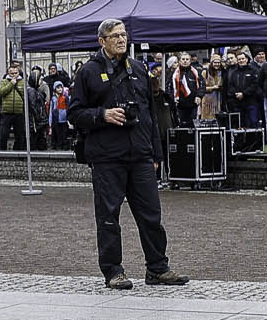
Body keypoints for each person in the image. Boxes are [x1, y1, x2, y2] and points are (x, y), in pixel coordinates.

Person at [69, 18, 188, 290]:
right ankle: (113, 271)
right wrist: (103, 114)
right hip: (107, 156)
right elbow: (75, 114)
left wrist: (155, 154)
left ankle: (157, 268)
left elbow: (150, 115)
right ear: (102, 41)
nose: (121, 40)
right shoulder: (89, 71)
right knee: (109, 216)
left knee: (151, 215)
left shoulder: (138, 68)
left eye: (124, 35)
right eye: (115, 36)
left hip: (140, 155)